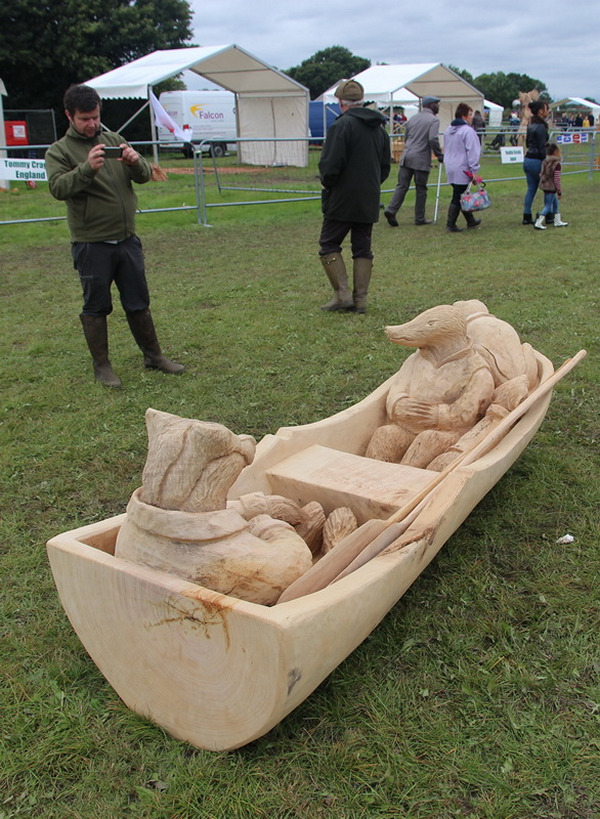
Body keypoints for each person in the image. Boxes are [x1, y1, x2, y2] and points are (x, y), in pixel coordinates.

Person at [45, 84, 184, 388]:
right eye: (84, 118)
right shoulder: (60, 151)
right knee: (96, 306)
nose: (92, 124)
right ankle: (102, 367)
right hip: (91, 244)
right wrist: (86, 169)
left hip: (127, 239)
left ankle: (154, 356)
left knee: (138, 301)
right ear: (69, 116)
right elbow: (57, 188)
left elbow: (145, 176)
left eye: (95, 117)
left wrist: (136, 162)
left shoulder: (114, 140)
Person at [317, 79, 391, 314]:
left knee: (329, 243)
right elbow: (385, 167)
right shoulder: (379, 129)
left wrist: (328, 184)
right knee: (362, 247)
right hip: (368, 196)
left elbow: (330, 166)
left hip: (341, 197)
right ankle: (360, 299)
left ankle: (342, 295)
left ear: (341, 102)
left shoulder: (342, 127)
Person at [383, 95, 444, 227]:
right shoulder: (433, 120)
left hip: (406, 156)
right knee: (421, 188)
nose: (438, 106)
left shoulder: (413, 118)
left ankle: (391, 209)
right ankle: (419, 218)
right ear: (431, 105)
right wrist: (439, 154)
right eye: (437, 104)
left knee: (402, 186)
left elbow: (406, 137)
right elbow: (433, 139)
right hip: (420, 158)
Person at [443, 103, 482, 233]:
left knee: (461, 193)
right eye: (470, 115)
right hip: (462, 167)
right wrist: (474, 170)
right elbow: (472, 152)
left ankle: (470, 220)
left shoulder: (448, 130)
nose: (472, 118)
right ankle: (451, 224)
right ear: (465, 116)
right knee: (458, 195)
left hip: (450, 165)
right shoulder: (468, 131)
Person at [522, 99, 550, 225]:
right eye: (546, 109)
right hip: (537, 161)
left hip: (528, 159)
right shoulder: (541, 127)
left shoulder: (530, 125)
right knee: (549, 188)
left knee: (531, 189)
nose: (548, 111)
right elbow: (542, 147)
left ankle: (526, 215)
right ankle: (549, 213)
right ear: (540, 111)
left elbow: (528, 143)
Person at [534, 144, 569, 230]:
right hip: (551, 188)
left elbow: (541, 174)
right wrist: (559, 191)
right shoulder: (556, 164)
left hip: (545, 186)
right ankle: (538, 222)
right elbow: (556, 179)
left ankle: (557, 221)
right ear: (556, 152)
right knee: (548, 206)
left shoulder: (545, 161)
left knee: (555, 204)